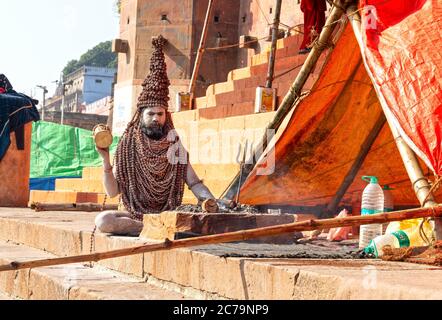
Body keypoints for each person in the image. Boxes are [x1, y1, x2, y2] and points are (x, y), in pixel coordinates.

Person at [95, 35, 215, 236]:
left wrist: (210, 201)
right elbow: (112, 192)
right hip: (135, 214)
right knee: (104, 221)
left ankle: (159, 228)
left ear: (166, 116)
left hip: (166, 214)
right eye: (150, 114)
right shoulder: (127, 146)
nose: (156, 118)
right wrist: (105, 159)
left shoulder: (174, 145)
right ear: (140, 115)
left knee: (196, 220)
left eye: (160, 114)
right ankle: (153, 230)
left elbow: (193, 182)